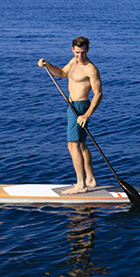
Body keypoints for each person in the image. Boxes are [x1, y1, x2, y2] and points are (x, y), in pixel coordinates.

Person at [38, 37, 103, 194]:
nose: (80, 56)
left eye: (83, 53)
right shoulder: (73, 62)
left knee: (72, 145)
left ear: (88, 50)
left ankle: (80, 185)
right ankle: (90, 179)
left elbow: (98, 94)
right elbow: (61, 73)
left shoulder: (91, 69)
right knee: (81, 144)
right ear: (72, 50)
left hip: (80, 107)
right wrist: (47, 64)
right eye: (77, 52)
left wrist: (86, 115)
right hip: (72, 105)